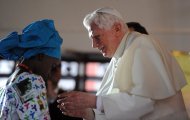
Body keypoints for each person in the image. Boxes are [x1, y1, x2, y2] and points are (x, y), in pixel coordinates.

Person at [57, 7, 189, 120]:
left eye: (97, 37)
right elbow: (118, 107)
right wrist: (90, 114)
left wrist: (93, 101)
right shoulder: (118, 56)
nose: (93, 45)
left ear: (117, 28)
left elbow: (143, 101)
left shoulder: (142, 45)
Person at [0, 19, 63, 119]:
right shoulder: (32, 81)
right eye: (52, 65)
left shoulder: (12, 79)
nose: (50, 71)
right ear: (40, 56)